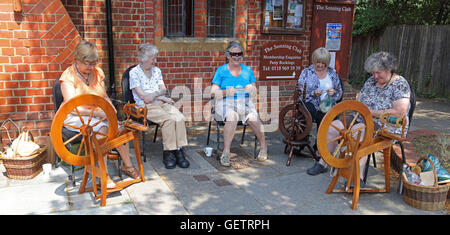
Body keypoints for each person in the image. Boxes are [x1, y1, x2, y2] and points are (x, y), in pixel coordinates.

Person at [311, 51, 411, 179]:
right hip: (359, 116)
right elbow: (360, 99)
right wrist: (359, 103)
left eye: (378, 72)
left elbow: (399, 112)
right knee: (332, 127)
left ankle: (358, 174)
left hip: (385, 123)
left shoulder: (400, 84)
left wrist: (369, 112)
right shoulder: (370, 81)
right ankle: (323, 162)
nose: (374, 76)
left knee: (356, 132)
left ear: (389, 69)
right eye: (372, 73)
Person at [60, 40, 139, 188]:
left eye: (93, 63)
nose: (91, 67)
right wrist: (99, 113)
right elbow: (72, 107)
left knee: (119, 130)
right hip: (77, 115)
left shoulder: (98, 72)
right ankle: (104, 174)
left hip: (98, 113)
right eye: (87, 64)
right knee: (102, 132)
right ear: (76, 60)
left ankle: (127, 165)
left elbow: (103, 96)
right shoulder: (68, 77)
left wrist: (110, 107)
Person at [129, 43, 190, 169]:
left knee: (179, 117)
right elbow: (143, 97)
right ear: (143, 59)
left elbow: (163, 89)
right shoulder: (134, 73)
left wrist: (159, 96)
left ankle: (179, 150)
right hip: (146, 107)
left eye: (155, 58)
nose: (155, 61)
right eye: (153, 59)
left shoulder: (157, 71)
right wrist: (160, 95)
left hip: (161, 103)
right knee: (168, 120)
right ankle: (168, 153)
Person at [210, 41, 267, 167]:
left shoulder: (247, 70)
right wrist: (226, 92)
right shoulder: (221, 70)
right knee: (232, 116)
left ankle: (263, 147)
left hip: (244, 101)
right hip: (225, 102)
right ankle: (226, 152)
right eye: (233, 54)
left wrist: (251, 88)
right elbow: (213, 93)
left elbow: (254, 90)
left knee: (254, 118)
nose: (236, 57)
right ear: (228, 56)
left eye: (239, 54)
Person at [297, 47, 343, 175]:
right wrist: (313, 93)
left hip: (327, 104)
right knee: (308, 112)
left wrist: (333, 94)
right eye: (318, 62)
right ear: (314, 60)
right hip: (311, 102)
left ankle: (321, 147)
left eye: (323, 63)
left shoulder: (333, 74)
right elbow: (300, 93)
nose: (320, 65)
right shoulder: (307, 72)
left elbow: (339, 93)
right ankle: (301, 141)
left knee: (326, 116)